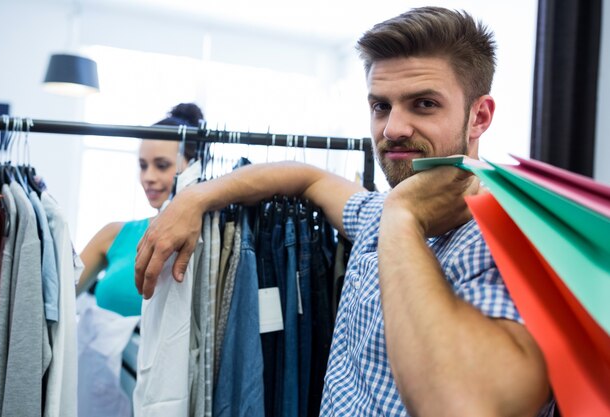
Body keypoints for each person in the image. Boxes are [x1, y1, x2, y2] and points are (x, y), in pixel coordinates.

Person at [135, 7, 554, 417]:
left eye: (424, 104)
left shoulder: (514, 245)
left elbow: (466, 406)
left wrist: (402, 218)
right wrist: (194, 197)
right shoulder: (377, 210)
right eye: (380, 106)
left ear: (479, 116)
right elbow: (306, 179)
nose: (393, 129)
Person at [76, 102, 204, 317]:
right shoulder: (113, 234)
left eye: (161, 165)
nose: (148, 177)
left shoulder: (207, 239)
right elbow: (56, 296)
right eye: (143, 166)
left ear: (193, 166)